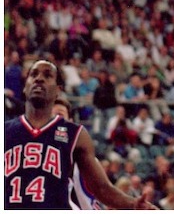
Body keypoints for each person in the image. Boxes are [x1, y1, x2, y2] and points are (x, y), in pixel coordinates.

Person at [4, 60, 156, 210]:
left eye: (47, 75)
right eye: (34, 74)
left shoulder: (76, 135)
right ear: (25, 87)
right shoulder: (5, 131)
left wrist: (133, 204)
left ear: (58, 90)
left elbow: (101, 188)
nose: (39, 78)